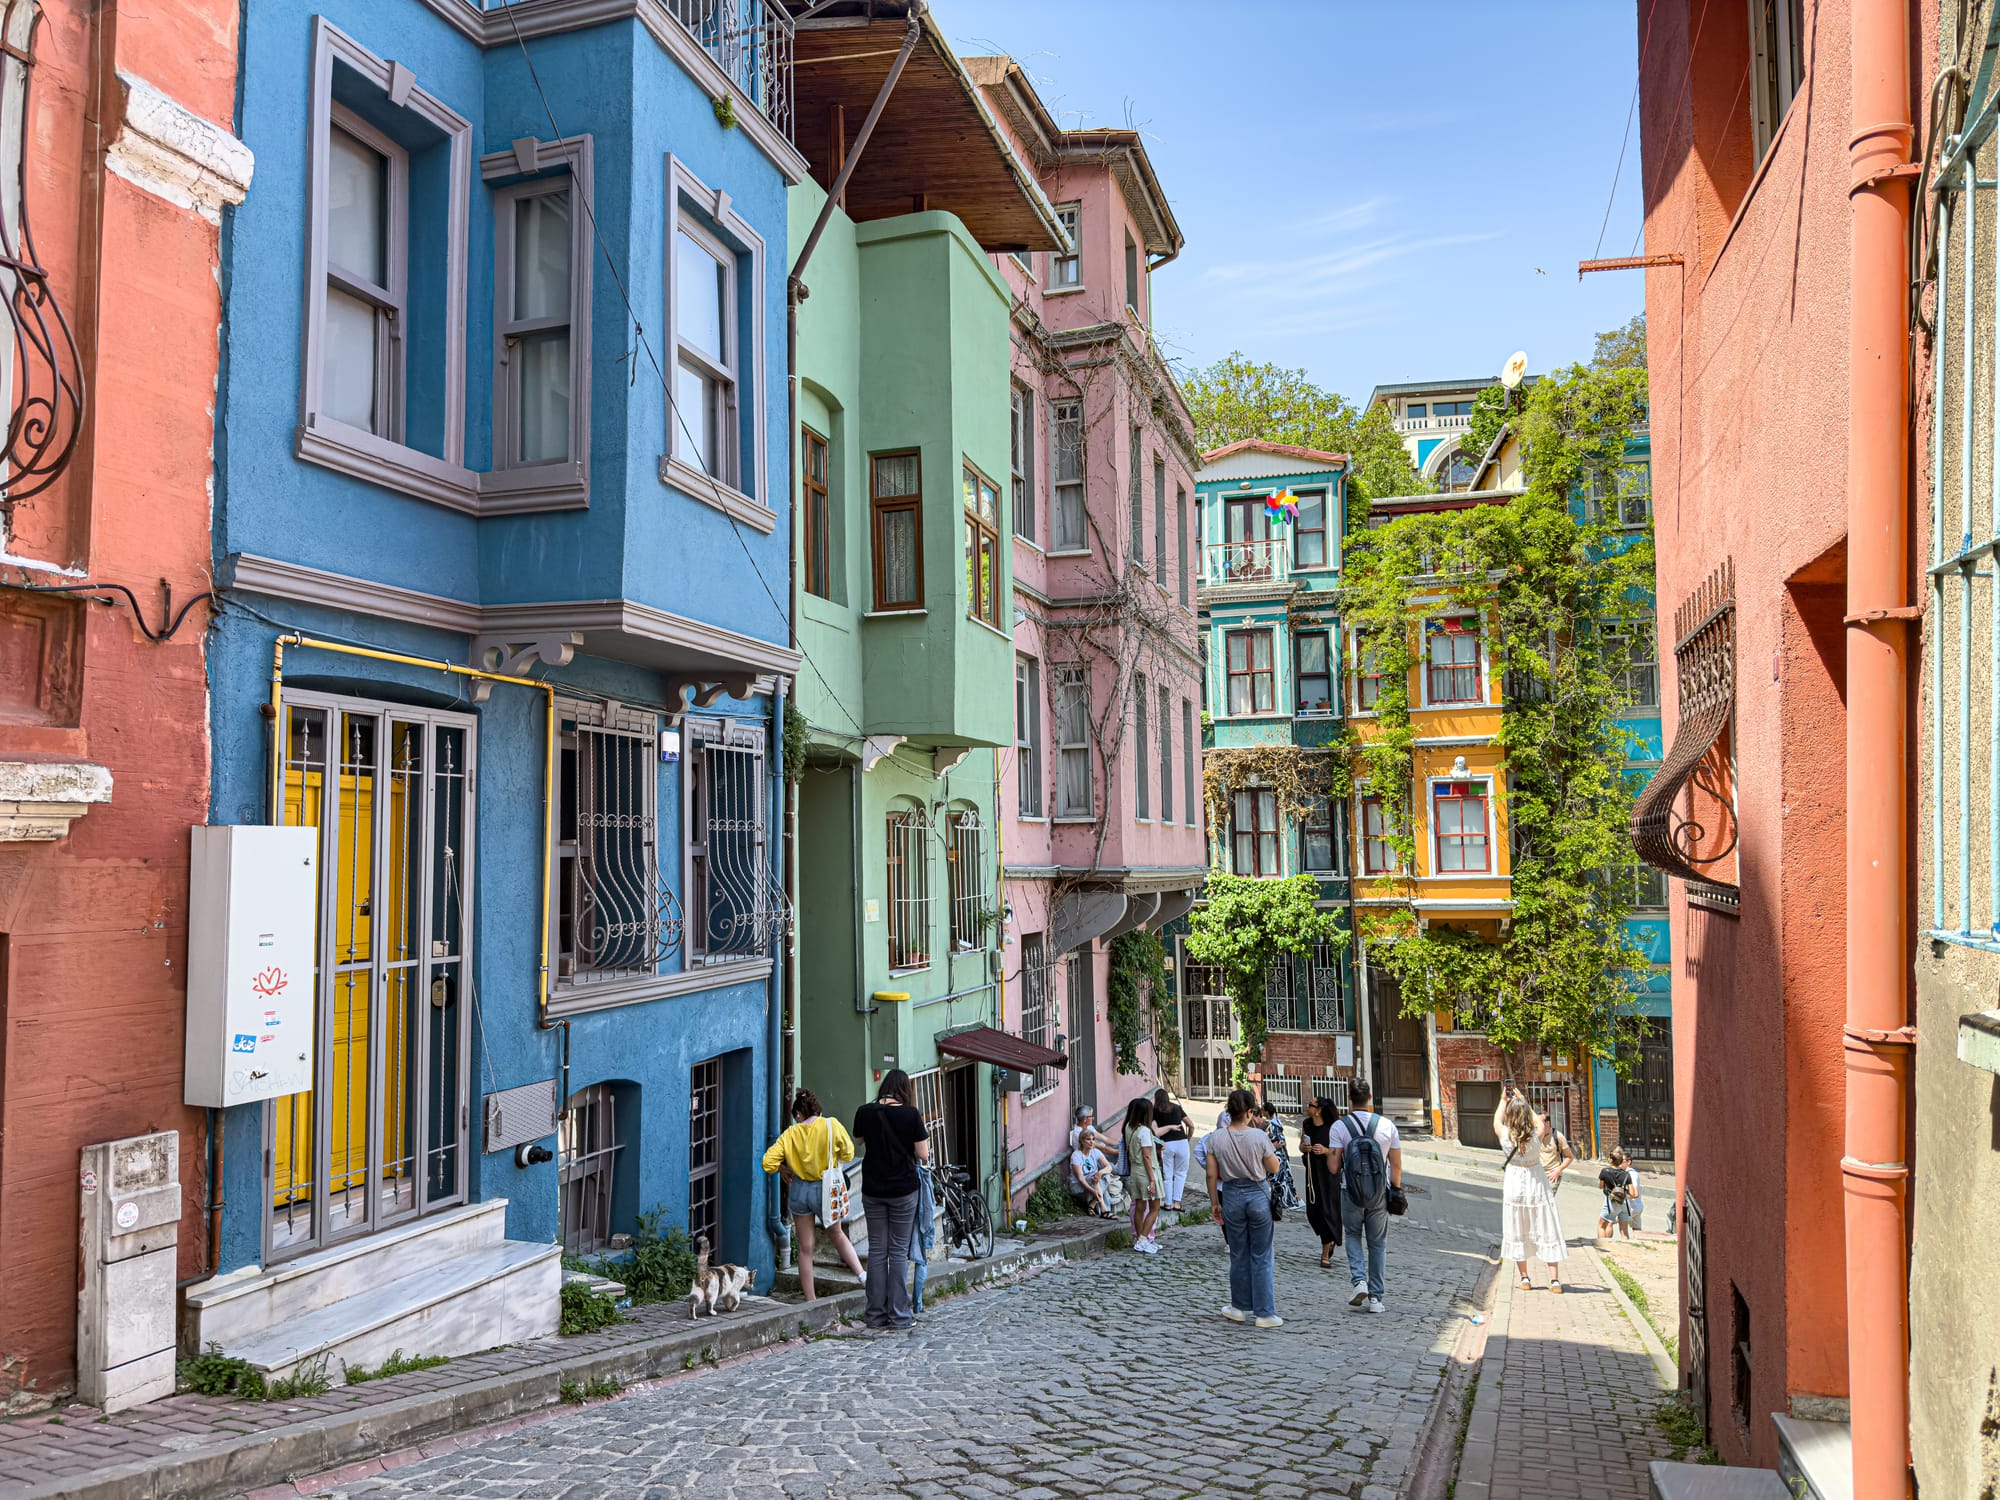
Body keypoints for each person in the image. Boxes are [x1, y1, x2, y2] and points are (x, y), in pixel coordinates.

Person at [761, 1087, 865, 1302]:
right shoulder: (831, 1125)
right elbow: (849, 1152)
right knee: (837, 1234)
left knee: (805, 1249)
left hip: (799, 1190)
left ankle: (811, 1300)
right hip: (825, 1188)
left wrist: (783, 1169)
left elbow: (767, 1162)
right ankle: (862, 1276)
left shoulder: (791, 1133)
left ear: (799, 1114)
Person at [851, 1069, 931, 1331]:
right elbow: (924, 1155)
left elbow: (858, 1141)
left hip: (873, 1189)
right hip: (903, 1191)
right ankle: (899, 1315)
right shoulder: (910, 1114)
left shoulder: (865, 1111)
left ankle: (874, 1314)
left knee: (877, 1251)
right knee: (897, 1252)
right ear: (905, 1090)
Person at [1202, 1088, 1282, 1327]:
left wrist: (1215, 1203)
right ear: (1249, 1112)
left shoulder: (1216, 1138)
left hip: (1231, 1194)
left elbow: (1210, 1175)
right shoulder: (1258, 1136)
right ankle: (1265, 1313)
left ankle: (1238, 1307)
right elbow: (1274, 1167)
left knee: (1238, 1254)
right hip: (1257, 1194)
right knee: (1262, 1254)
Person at [1326, 1078, 1402, 1314]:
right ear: (1370, 1098)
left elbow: (1333, 1167)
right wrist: (1396, 1191)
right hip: (1379, 1193)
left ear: (1349, 1099)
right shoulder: (1387, 1126)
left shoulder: (1339, 1127)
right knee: (1378, 1244)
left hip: (1351, 1192)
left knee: (1351, 1234)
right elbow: (1396, 1165)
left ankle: (1359, 1281)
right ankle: (1376, 1300)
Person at [1495, 1085, 1569, 1293]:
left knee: (1517, 1227)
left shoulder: (1505, 1135)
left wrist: (1503, 1100)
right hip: (1536, 1181)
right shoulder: (1535, 1134)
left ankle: (1525, 1278)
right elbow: (1539, 1121)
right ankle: (1554, 1280)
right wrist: (1523, 1101)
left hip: (1514, 1181)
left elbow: (1495, 1121)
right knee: (1546, 1225)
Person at [1299, 1094, 1345, 1268]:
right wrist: (1303, 1148)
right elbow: (1301, 1144)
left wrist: (1326, 1151)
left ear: (1318, 1111)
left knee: (1327, 1211)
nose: (1307, 1106)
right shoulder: (1307, 1124)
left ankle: (1325, 1252)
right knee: (1313, 1212)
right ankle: (1329, 1239)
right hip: (1312, 1173)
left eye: (1310, 1104)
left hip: (1329, 1175)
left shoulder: (1333, 1128)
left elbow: (1341, 1153)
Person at [1121, 1097, 1164, 1254]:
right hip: (1147, 1172)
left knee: (1139, 1206)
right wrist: (1152, 1180)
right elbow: (1147, 1156)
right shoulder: (1144, 1131)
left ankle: (1140, 1238)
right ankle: (1143, 1239)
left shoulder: (1128, 1127)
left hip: (1135, 1171)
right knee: (1155, 1207)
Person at [1152, 1090, 1193, 1211]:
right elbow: (1191, 1125)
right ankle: (1177, 1203)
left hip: (1166, 1145)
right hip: (1182, 1143)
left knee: (1167, 1175)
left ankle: (1168, 1204)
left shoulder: (1155, 1111)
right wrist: (1187, 1139)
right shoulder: (1177, 1108)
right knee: (1181, 1173)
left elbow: (1155, 1131)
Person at [1260, 1096, 1302, 1211]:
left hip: (1276, 1155)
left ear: (1266, 1112)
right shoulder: (1277, 1121)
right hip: (1282, 1155)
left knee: (1277, 1180)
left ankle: (1280, 1201)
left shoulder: (1270, 1125)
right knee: (1284, 1179)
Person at [1068, 1128, 1115, 1217]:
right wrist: (1093, 1191)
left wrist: (1100, 1173)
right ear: (1081, 1141)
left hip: (1094, 1183)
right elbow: (1081, 1179)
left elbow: (1109, 1167)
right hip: (1079, 1186)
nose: (1091, 1142)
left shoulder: (1095, 1152)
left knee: (1105, 1176)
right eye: (1088, 1139)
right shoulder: (1076, 1155)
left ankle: (1093, 1205)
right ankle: (1104, 1210)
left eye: (1093, 1139)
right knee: (1097, 1182)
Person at [1598, 1147, 1638, 1240]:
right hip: (1625, 1203)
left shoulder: (1605, 1171)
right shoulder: (1626, 1174)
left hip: (1611, 1202)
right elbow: (1632, 1193)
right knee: (1624, 1231)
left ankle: (1605, 1246)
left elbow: (1600, 1186)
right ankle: (1626, 1250)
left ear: (1611, 1159)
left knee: (1602, 1225)